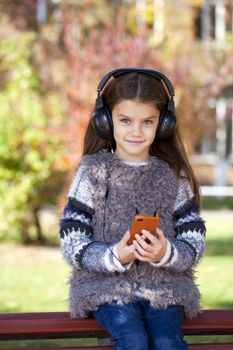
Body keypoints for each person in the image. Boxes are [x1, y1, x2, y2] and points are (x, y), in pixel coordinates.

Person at [59, 68, 206, 350]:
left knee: (167, 341)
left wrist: (166, 252)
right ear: (105, 121)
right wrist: (114, 255)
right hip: (104, 287)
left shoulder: (173, 177)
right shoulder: (92, 172)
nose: (136, 131)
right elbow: (71, 239)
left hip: (166, 288)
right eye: (125, 120)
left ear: (163, 124)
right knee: (134, 339)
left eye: (147, 121)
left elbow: (194, 240)